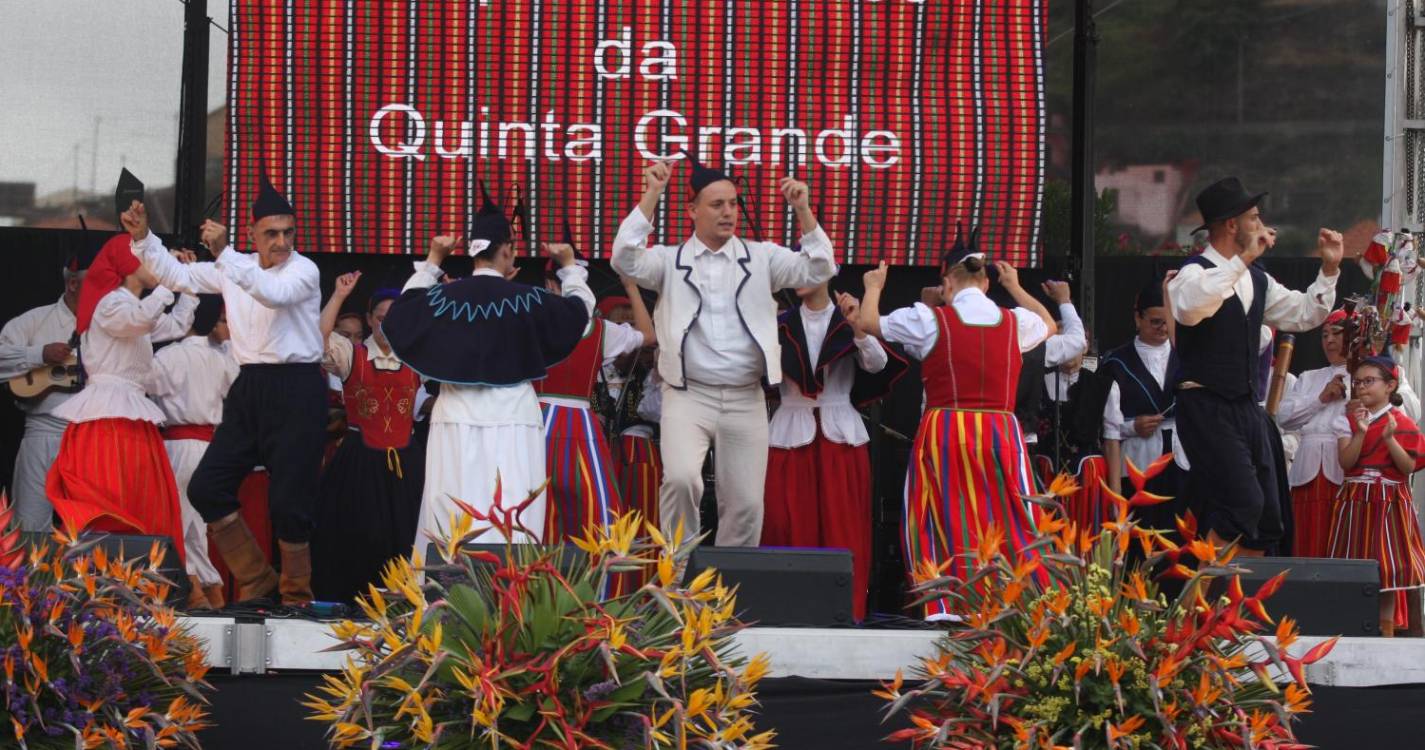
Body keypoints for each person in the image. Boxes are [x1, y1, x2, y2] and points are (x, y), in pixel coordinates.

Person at [611, 158, 835, 547]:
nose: (728, 212)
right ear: (692, 210)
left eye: (733, 203)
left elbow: (820, 268)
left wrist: (803, 209)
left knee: (746, 504)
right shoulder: (669, 260)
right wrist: (652, 193)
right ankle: (680, 574)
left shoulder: (762, 257)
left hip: (745, 397)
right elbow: (624, 259)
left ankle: (731, 582)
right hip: (687, 394)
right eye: (717, 204)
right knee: (681, 480)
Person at [127, 176, 327, 605]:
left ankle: (296, 595)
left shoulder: (303, 270)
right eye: (271, 234)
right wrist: (144, 238)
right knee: (206, 487)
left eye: (288, 232)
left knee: (289, 503)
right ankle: (258, 581)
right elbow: (176, 274)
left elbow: (273, 294)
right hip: (250, 384)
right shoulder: (236, 267)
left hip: (298, 386)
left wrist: (224, 254)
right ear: (253, 235)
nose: (281, 242)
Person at [381, 186, 591, 550]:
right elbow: (581, 316)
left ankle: (445, 587)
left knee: (449, 518)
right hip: (514, 420)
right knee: (514, 516)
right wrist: (570, 267)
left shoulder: (441, 299)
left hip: (455, 418)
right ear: (507, 250)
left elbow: (397, 318)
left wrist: (433, 260)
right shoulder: (530, 299)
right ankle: (511, 586)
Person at [856, 242, 1056, 620]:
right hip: (999, 430)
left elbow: (868, 322)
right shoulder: (1014, 321)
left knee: (936, 513)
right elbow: (1049, 324)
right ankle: (1023, 602)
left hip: (946, 428)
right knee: (1011, 514)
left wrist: (874, 287)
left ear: (947, 282)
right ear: (986, 283)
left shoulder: (930, 319)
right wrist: (1015, 287)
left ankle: (944, 605)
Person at [1167, 177, 1342, 555]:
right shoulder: (1193, 273)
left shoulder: (1257, 279)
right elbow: (1191, 308)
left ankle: (1240, 592)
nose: (1262, 226)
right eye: (1254, 218)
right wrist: (1241, 260)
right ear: (1232, 225)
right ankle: (1202, 591)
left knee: (1267, 518)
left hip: (1246, 406)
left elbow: (1304, 313)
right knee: (1241, 504)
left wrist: (1328, 271)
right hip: (1206, 405)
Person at [762, 279, 906, 622]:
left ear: (827, 273)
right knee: (786, 524)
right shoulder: (779, 323)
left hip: (840, 436)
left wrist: (858, 327)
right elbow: (759, 373)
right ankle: (787, 613)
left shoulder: (846, 318)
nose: (802, 279)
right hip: (790, 433)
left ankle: (846, 612)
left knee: (844, 526)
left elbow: (877, 363)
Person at [45, 233, 196, 556]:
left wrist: (187, 283)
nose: (159, 266)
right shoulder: (109, 304)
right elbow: (139, 321)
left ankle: (137, 576)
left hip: (130, 417)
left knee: (143, 502)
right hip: (107, 420)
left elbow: (177, 325)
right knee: (114, 498)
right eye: (153, 260)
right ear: (130, 265)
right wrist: (168, 284)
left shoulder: (134, 307)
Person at [310, 277, 428, 603]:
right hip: (360, 461)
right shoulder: (353, 355)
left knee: (405, 533)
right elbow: (318, 336)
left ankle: (403, 605)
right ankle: (354, 603)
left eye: (394, 318)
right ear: (369, 319)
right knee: (358, 533)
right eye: (380, 317)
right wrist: (338, 295)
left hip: (405, 463)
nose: (387, 325)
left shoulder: (417, 358)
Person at [536, 247, 654, 544]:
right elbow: (648, 336)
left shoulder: (529, 322)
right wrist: (631, 288)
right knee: (598, 511)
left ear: (549, 284)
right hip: (580, 425)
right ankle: (600, 574)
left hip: (535, 423)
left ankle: (534, 573)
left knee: (535, 507)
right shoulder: (600, 330)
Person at [150, 297, 238, 609]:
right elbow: (235, 390)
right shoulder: (221, 359)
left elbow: (144, 386)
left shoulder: (168, 356)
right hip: (210, 450)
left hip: (177, 447)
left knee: (175, 523)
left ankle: (194, 591)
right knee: (196, 526)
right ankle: (210, 590)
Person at [1329, 356, 1425, 636]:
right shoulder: (1346, 420)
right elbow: (1346, 462)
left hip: (1389, 500)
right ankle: (1351, 631)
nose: (1361, 387)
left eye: (1369, 381)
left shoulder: (1402, 423)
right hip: (1356, 498)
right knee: (1353, 564)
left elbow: (1407, 467)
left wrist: (1390, 438)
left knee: (1388, 568)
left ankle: (1386, 632)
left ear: (1390, 385)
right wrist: (1360, 433)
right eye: (1357, 382)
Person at [0, 243, 89, 530]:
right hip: (43, 433)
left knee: (90, 528)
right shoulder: (35, 320)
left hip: (91, 438)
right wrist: (39, 354)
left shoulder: (109, 325)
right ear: (73, 284)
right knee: (30, 524)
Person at [1100, 282, 1180, 528]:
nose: (1163, 328)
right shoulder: (1116, 363)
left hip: (1182, 462)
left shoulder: (1185, 356)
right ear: (1138, 318)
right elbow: (1108, 429)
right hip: (1138, 465)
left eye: (1167, 322)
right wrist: (1133, 426)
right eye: (1155, 322)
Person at [1274, 310, 1350, 557]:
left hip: (1344, 467)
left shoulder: (1368, 375)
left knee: (1340, 543)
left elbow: (1410, 410)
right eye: (1324, 335)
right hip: (1306, 469)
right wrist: (1320, 398)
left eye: (1336, 333)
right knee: (1305, 541)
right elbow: (1284, 417)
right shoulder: (1309, 378)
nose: (1329, 340)